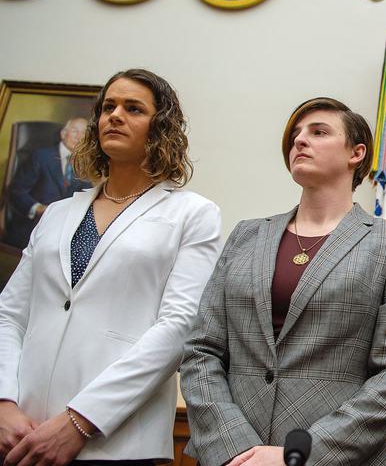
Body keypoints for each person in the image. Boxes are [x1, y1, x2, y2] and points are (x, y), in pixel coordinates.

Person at [181, 97, 386, 466]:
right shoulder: (246, 235)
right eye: (295, 134)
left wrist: (300, 454)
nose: (299, 141)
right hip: (232, 457)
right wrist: (235, 448)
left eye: (318, 132)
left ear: (356, 153)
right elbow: (202, 350)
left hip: (333, 458)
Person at [0, 68, 221, 463]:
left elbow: (178, 328)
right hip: (21, 433)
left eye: (133, 108)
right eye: (108, 107)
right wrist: (4, 403)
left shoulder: (193, 214)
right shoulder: (56, 213)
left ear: (161, 127)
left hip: (115, 441)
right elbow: (10, 315)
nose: (114, 115)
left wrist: (80, 421)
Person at [5, 117, 93, 249]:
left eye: (84, 133)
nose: (79, 137)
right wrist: (38, 209)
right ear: (63, 134)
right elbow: (16, 191)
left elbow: (86, 197)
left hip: (61, 230)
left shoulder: (83, 164)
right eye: (75, 131)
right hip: (32, 226)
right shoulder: (40, 156)